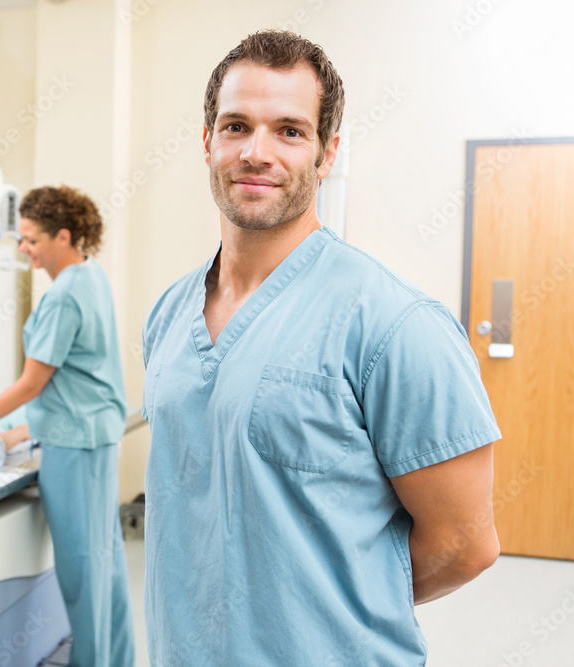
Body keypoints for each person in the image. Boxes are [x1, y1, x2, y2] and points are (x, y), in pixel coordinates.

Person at [141, 30, 501, 666]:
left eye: (289, 130)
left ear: (326, 152)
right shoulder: (170, 313)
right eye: (235, 126)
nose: (257, 152)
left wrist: (319, 605)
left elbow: (465, 545)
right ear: (207, 142)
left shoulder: (394, 323)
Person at [0, 185, 135, 667]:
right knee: (107, 566)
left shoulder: (63, 297)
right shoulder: (91, 276)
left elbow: (32, 383)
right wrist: (21, 433)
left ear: (64, 236)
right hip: (93, 435)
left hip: (74, 445)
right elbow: (76, 375)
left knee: (82, 572)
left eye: (31, 239)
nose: (23, 248)